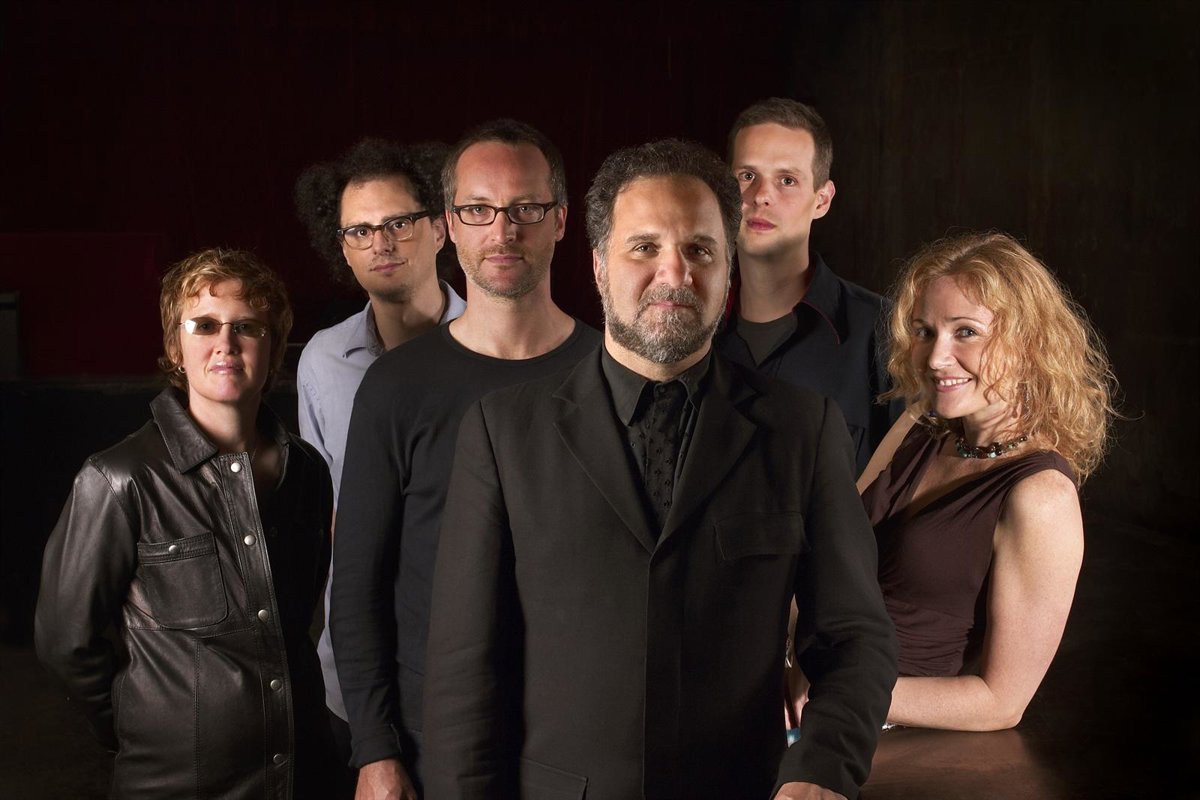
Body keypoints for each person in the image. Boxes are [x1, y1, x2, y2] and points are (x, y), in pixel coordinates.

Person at [422, 140, 896, 800]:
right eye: (644, 247)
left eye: (700, 250)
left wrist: (821, 772)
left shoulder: (801, 430)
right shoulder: (503, 432)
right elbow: (462, 671)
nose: (675, 274)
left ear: (729, 270)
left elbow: (856, 638)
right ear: (598, 266)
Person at [330, 119, 600, 799]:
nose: (502, 231)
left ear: (561, 220)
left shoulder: (613, 373)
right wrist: (375, 750)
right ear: (449, 224)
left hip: (581, 731)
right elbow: (358, 587)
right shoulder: (396, 387)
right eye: (479, 210)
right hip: (434, 736)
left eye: (525, 209)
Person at [35, 249, 337, 797]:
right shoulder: (118, 478)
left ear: (273, 347)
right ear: (176, 347)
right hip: (173, 783)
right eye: (204, 325)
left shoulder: (308, 472)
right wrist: (139, 730)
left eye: (247, 326)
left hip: (300, 774)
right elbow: (66, 642)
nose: (226, 343)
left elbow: (299, 620)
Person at [857, 231, 1116, 731]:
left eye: (966, 332)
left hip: (874, 720)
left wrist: (840, 693)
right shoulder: (917, 425)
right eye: (925, 331)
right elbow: (826, 551)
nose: (936, 358)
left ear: (1029, 344)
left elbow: (1000, 702)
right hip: (796, 674)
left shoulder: (1041, 497)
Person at [293, 138, 466, 783]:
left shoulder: (498, 349)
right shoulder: (322, 361)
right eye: (360, 231)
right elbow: (326, 515)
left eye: (398, 223)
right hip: (352, 673)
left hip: (465, 662)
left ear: (440, 228)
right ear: (342, 247)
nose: (380, 243)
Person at [717, 98, 898, 475]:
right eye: (747, 176)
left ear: (822, 200)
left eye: (787, 180)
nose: (761, 195)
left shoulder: (885, 331)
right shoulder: (692, 331)